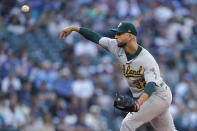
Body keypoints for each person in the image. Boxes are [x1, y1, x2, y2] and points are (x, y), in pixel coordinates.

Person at [59, 21, 177, 131]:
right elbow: (96, 37)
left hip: (158, 95)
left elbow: (151, 85)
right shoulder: (116, 46)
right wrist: (75, 29)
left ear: (131, 36)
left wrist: (139, 103)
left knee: (127, 123)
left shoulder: (147, 59)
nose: (116, 36)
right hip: (149, 98)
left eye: (120, 34)